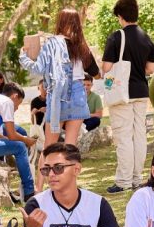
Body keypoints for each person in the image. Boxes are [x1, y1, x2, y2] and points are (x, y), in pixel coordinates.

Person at [20, 8, 99, 148]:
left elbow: (38, 68)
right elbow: (95, 73)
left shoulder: (51, 43)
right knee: (70, 146)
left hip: (58, 94)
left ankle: (46, 164)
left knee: (49, 146)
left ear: (60, 22)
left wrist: (23, 57)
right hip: (78, 93)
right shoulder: (82, 46)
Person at [102, 0, 154, 194]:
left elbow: (107, 67)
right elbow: (150, 69)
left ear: (120, 16)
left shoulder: (116, 37)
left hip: (122, 94)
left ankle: (124, 180)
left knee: (123, 136)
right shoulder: (146, 38)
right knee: (139, 135)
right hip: (141, 91)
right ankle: (136, 178)